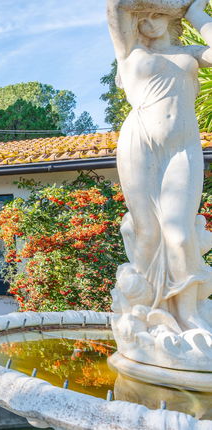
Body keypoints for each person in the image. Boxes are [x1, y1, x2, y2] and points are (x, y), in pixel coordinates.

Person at [107, 0, 212, 331]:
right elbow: (117, 6)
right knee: (148, 233)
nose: (150, 22)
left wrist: (195, 11)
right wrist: (175, 3)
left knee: (180, 235)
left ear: (172, 20)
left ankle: (188, 312)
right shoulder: (129, 53)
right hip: (140, 145)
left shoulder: (191, 53)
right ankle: (148, 314)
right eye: (145, 17)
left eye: (158, 16)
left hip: (182, 148)